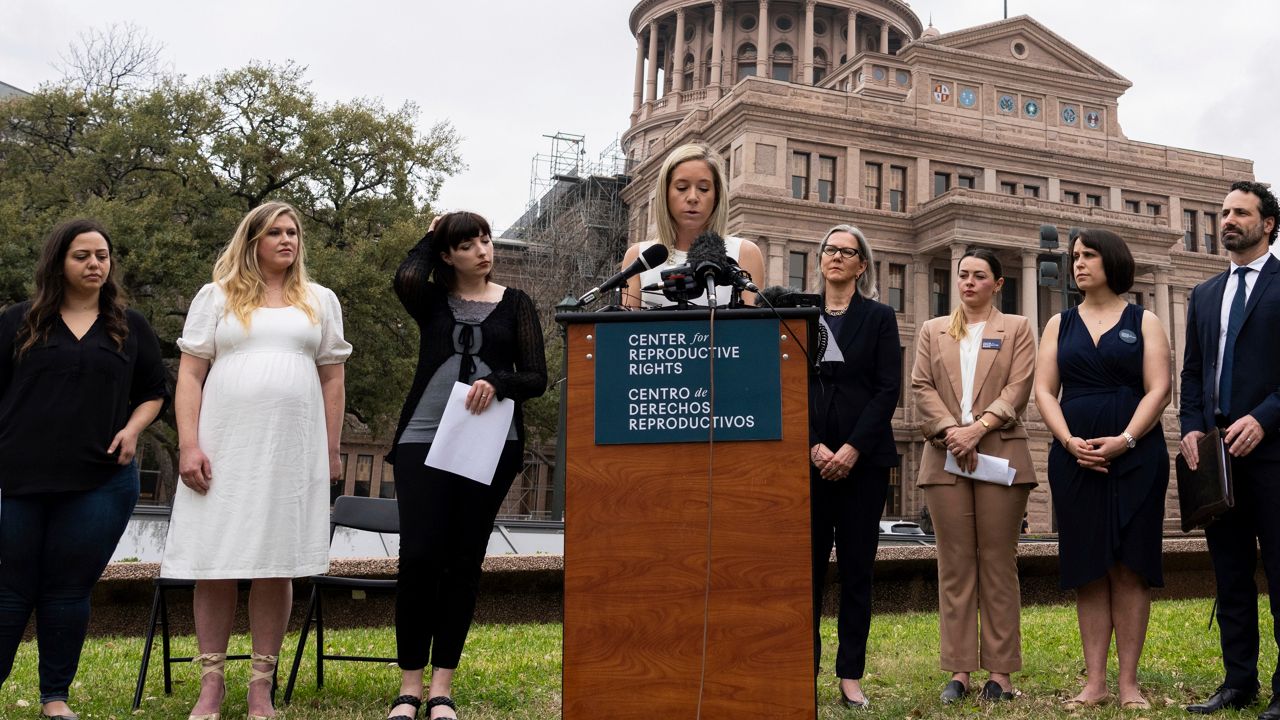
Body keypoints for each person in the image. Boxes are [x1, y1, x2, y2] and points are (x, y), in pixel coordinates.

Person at [160, 201, 351, 720]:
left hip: (292, 451)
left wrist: (331, 450)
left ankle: (260, 686)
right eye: (275, 232)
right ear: (252, 241)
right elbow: (190, 375)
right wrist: (189, 444)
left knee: (277, 563)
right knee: (216, 562)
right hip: (224, 447)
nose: (287, 240)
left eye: (292, 232)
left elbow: (332, 380)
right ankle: (211, 685)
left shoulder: (320, 300)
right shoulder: (216, 296)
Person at [0, 219, 168, 720]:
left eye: (102, 255)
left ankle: (55, 698)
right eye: (82, 256)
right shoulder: (16, 321)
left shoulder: (129, 324)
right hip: (20, 480)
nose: (95, 264)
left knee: (69, 591)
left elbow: (153, 391)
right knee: (10, 591)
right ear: (59, 262)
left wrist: (134, 429)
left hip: (101, 481)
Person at [385, 211, 547, 720]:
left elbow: (537, 376)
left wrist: (499, 382)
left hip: (491, 443)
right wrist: (430, 234)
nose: (483, 250)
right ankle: (408, 689)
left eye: (486, 239)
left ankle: (440, 690)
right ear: (448, 255)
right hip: (422, 440)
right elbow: (406, 276)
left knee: (462, 562)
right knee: (417, 558)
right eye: (468, 243)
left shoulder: (516, 304)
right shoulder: (430, 299)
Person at [1034, 228, 1170, 711]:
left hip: (1137, 457)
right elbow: (1045, 391)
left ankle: (1129, 683)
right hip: (1075, 460)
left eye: (1089, 255)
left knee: (1130, 568)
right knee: (1089, 568)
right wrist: (1068, 440)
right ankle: (1095, 682)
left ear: (1112, 261)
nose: (1078, 264)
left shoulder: (1145, 320)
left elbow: (1159, 388)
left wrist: (1126, 440)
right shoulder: (1058, 324)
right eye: (1074, 256)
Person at [911, 248, 1036, 704]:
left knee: (998, 564)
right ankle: (959, 671)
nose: (968, 282)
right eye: (963, 274)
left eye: (979, 276)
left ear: (997, 284)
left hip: (1000, 454)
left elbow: (1019, 387)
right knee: (955, 566)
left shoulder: (1017, 328)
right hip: (946, 456)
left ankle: (1000, 675)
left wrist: (978, 428)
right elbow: (921, 386)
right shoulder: (932, 330)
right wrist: (951, 431)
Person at [1180, 181, 1280, 720]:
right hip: (1217, 457)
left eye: (1240, 213)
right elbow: (1193, 373)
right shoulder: (1204, 294)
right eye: (1223, 213)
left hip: (1273, 451)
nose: (1227, 221)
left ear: (1267, 223)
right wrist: (1191, 427)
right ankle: (1238, 681)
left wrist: (1264, 419)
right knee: (1231, 574)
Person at [808, 224, 901, 709]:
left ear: (861, 265)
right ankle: (803, 669)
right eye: (830, 250)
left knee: (857, 572)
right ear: (820, 259)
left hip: (863, 465)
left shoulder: (880, 318)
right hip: (808, 464)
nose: (837, 257)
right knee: (805, 573)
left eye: (848, 252)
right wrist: (813, 446)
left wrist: (851, 450)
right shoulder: (798, 315)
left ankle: (850, 677)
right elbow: (783, 386)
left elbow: (889, 389)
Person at [621, 143, 765, 308]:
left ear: (717, 196)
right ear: (665, 193)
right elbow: (628, 331)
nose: (692, 198)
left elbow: (752, 328)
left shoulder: (744, 253)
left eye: (703, 189)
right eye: (682, 188)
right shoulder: (639, 257)